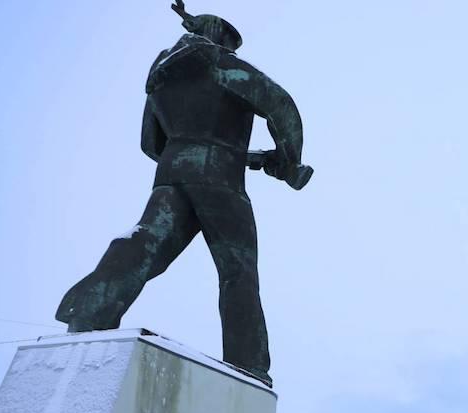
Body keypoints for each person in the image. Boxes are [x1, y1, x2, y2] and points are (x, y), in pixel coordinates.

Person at [54, 5, 306, 386]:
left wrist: (248, 156)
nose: (233, 51)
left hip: (171, 174)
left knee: (145, 243)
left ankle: (89, 310)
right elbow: (281, 105)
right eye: (231, 44)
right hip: (220, 181)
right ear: (219, 38)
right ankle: (248, 365)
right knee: (237, 271)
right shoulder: (220, 64)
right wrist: (288, 160)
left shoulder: (161, 77)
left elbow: (151, 144)